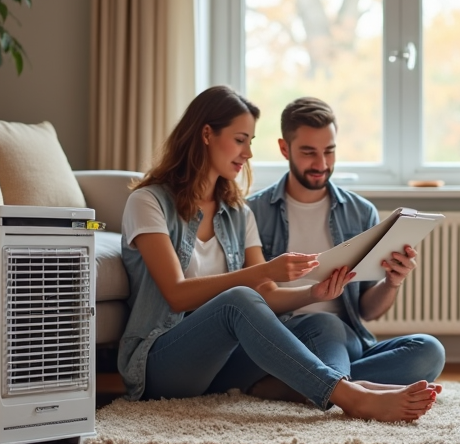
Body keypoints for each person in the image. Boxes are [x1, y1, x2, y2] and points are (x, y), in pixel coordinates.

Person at [117, 85, 436, 422]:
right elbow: (177, 295)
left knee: (325, 322)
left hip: (221, 368)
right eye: (240, 140)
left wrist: (314, 292)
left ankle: (307, 385)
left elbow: (266, 295)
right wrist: (265, 271)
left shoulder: (238, 213)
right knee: (237, 299)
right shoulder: (148, 202)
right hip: (161, 362)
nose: (248, 153)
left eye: (250, 142)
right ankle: (351, 394)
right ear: (207, 134)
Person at [240, 96, 446, 394]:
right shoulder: (253, 212)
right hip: (282, 340)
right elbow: (250, 298)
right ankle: (348, 389)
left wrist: (392, 282)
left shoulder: (360, 212)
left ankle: (294, 386)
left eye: (330, 151)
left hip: (345, 341)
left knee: (429, 350)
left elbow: (366, 310)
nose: (321, 164)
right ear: (284, 148)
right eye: (309, 152)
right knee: (325, 323)